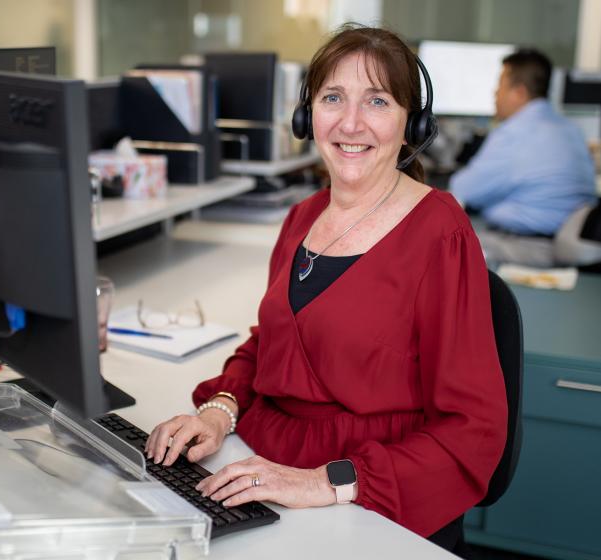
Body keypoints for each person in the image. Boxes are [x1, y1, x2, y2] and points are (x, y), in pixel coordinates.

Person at [146, 23, 507, 553]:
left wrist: (324, 481)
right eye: (333, 97)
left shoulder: (441, 234)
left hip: (372, 496)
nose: (351, 122)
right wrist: (218, 413)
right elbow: (270, 343)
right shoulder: (302, 217)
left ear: (413, 124)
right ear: (306, 115)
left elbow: (472, 427)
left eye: (378, 101)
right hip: (265, 467)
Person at [450, 49, 597, 266]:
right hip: (568, 243)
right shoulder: (571, 129)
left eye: (500, 85)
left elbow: (462, 190)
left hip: (530, 248)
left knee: (440, 244)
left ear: (518, 93)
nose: (494, 93)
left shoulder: (514, 132)